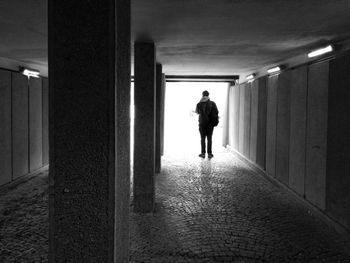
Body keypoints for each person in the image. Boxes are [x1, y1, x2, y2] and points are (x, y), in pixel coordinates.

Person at [195, 90, 219, 158]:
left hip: (202, 123)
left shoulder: (199, 104)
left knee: (202, 138)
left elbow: (197, 112)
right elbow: (217, 111)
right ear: (208, 95)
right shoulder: (213, 103)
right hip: (210, 124)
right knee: (209, 138)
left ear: (202, 95)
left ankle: (203, 153)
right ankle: (209, 153)